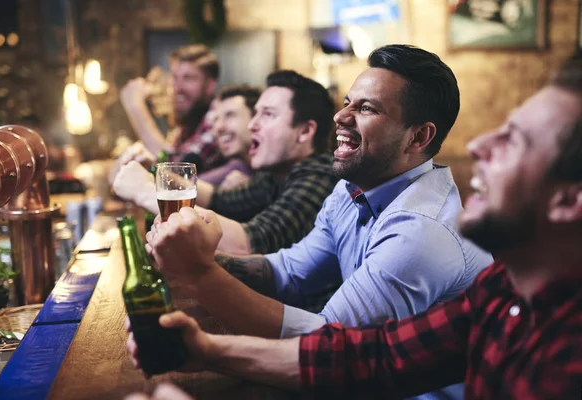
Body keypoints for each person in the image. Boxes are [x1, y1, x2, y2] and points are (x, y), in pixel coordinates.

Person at [127, 55, 582, 400]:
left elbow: (330, 339)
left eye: (514, 140)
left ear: (418, 138)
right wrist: (203, 347)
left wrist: (200, 275)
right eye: (347, 103)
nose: (480, 144)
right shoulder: (503, 288)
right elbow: (372, 354)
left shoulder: (422, 232)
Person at [113, 70, 339, 255]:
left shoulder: (319, 176)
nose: (253, 125)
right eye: (256, 114)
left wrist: (145, 190)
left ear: (305, 131)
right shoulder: (276, 175)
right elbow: (219, 200)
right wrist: (157, 173)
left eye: (268, 114)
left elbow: (248, 244)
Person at [119, 44, 224, 172]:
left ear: (210, 86)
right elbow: (167, 159)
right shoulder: (187, 124)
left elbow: (176, 172)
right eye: (174, 77)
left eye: (188, 78)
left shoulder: (218, 119)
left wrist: (136, 107)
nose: (176, 88)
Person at [197, 85, 260, 187]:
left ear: (256, 118)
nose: (218, 127)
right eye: (216, 119)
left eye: (230, 115)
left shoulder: (281, 167)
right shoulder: (237, 166)